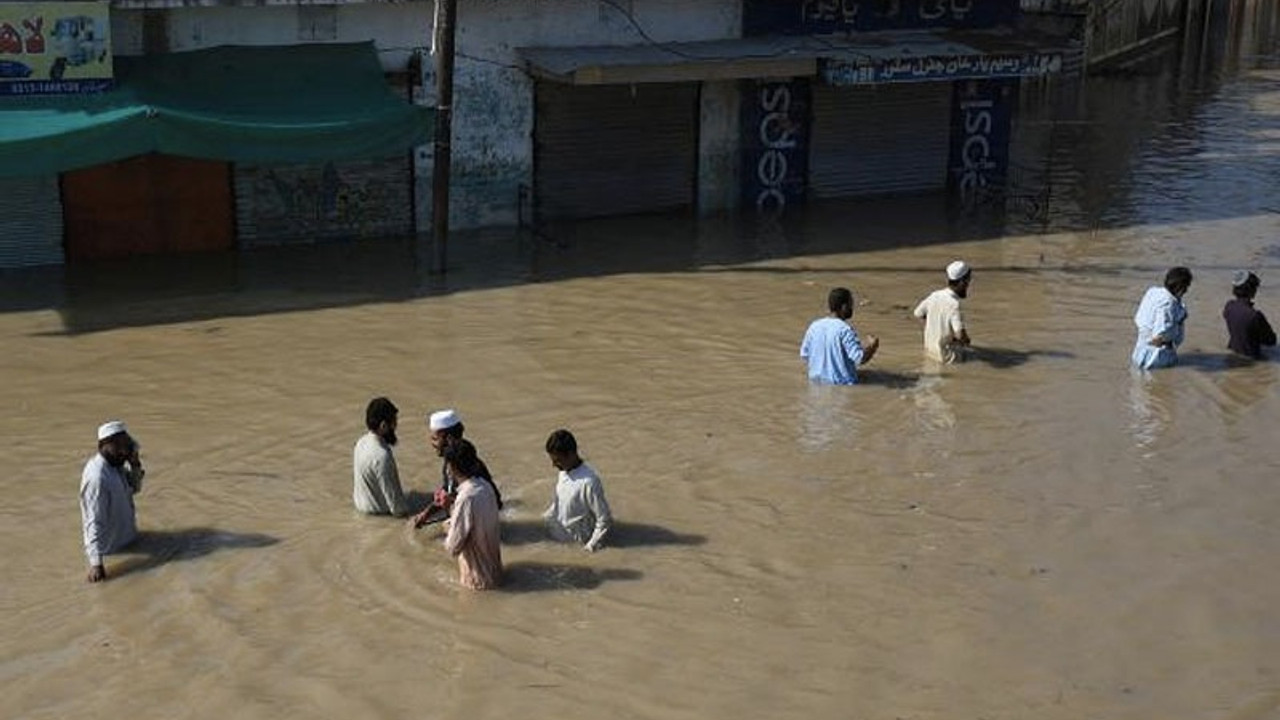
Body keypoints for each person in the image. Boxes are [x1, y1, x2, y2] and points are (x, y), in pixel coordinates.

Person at [410, 409, 501, 528]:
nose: (432, 444)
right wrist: (426, 514)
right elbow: (448, 491)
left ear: (449, 439)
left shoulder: (468, 467)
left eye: (435, 439)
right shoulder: (451, 463)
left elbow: (493, 502)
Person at [80, 421, 145, 583]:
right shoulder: (97, 478)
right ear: (105, 445)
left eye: (127, 447)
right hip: (113, 550)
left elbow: (135, 489)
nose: (125, 453)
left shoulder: (117, 465)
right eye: (121, 448)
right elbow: (93, 521)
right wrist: (96, 565)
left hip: (128, 541)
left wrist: (135, 464)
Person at [441, 439, 503, 590]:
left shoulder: (465, 498)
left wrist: (447, 523)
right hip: (495, 572)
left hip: (476, 581)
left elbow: (452, 547)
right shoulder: (485, 486)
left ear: (451, 468)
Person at [542, 429, 612, 553]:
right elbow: (559, 500)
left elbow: (604, 519)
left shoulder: (589, 482)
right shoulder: (563, 472)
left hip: (576, 543)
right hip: (558, 534)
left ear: (571, 454)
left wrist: (590, 547)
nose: (553, 465)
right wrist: (546, 517)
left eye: (557, 460)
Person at [799, 287, 880, 385]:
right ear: (844, 307)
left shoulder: (814, 326)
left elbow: (804, 355)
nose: (852, 308)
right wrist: (873, 346)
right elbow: (860, 359)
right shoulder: (845, 330)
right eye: (851, 304)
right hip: (842, 386)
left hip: (816, 383)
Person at [352, 397, 410, 516]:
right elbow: (397, 508)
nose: (395, 427)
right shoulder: (382, 456)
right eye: (394, 423)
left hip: (360, 510)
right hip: (380, 516)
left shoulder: (361, 442)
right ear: (383, 426)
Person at [1132, 266, 1193, 370]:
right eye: (1187, 287)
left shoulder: (1153, 291)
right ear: (1181, 288)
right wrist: (1179, 321)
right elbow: (1158, 336)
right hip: (1156, 356)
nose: (1187, 290)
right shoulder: (1168, 304)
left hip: (1139, 349)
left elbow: (1140, 317)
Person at [913, 260, 972, 364]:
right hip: (948, 358)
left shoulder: (934, 295)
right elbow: (960, 336)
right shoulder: (954, 304)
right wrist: (966, 341)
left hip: (929, 352)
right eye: (968, 281)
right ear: (962, 282)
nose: (968, 286)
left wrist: (934, 321)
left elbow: (918, 313)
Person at [1223, 270, 1276, 359]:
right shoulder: (1255, 315)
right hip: (1252, 358)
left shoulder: (1229, 306)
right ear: (1252, 290)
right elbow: (1271, 341)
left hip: (1233, 354)